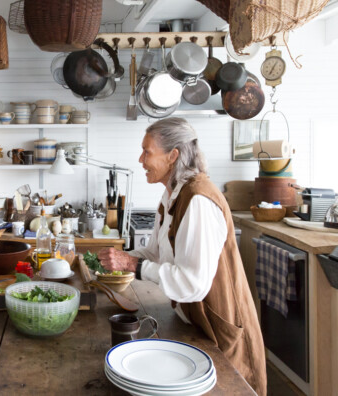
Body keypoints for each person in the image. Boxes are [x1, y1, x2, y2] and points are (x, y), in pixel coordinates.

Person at [98, 117, 266, 395]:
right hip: (195, 324)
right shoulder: (172, 196)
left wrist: (134, 265)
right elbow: (155, 252)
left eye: (147, 151)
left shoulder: (198, 199)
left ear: (173, 155)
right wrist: (121, 258)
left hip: (220, 331)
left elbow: (192, 284)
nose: (140, 159)